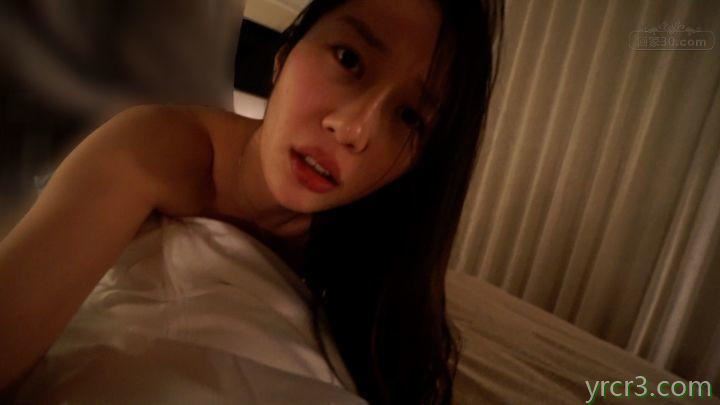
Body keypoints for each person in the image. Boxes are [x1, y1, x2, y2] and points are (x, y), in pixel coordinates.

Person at [0, 0, 503, 403]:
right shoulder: (152, 147)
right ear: (284, 55)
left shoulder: (381, 258)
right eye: (349, 60)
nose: (352, 129)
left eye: (409, 116)